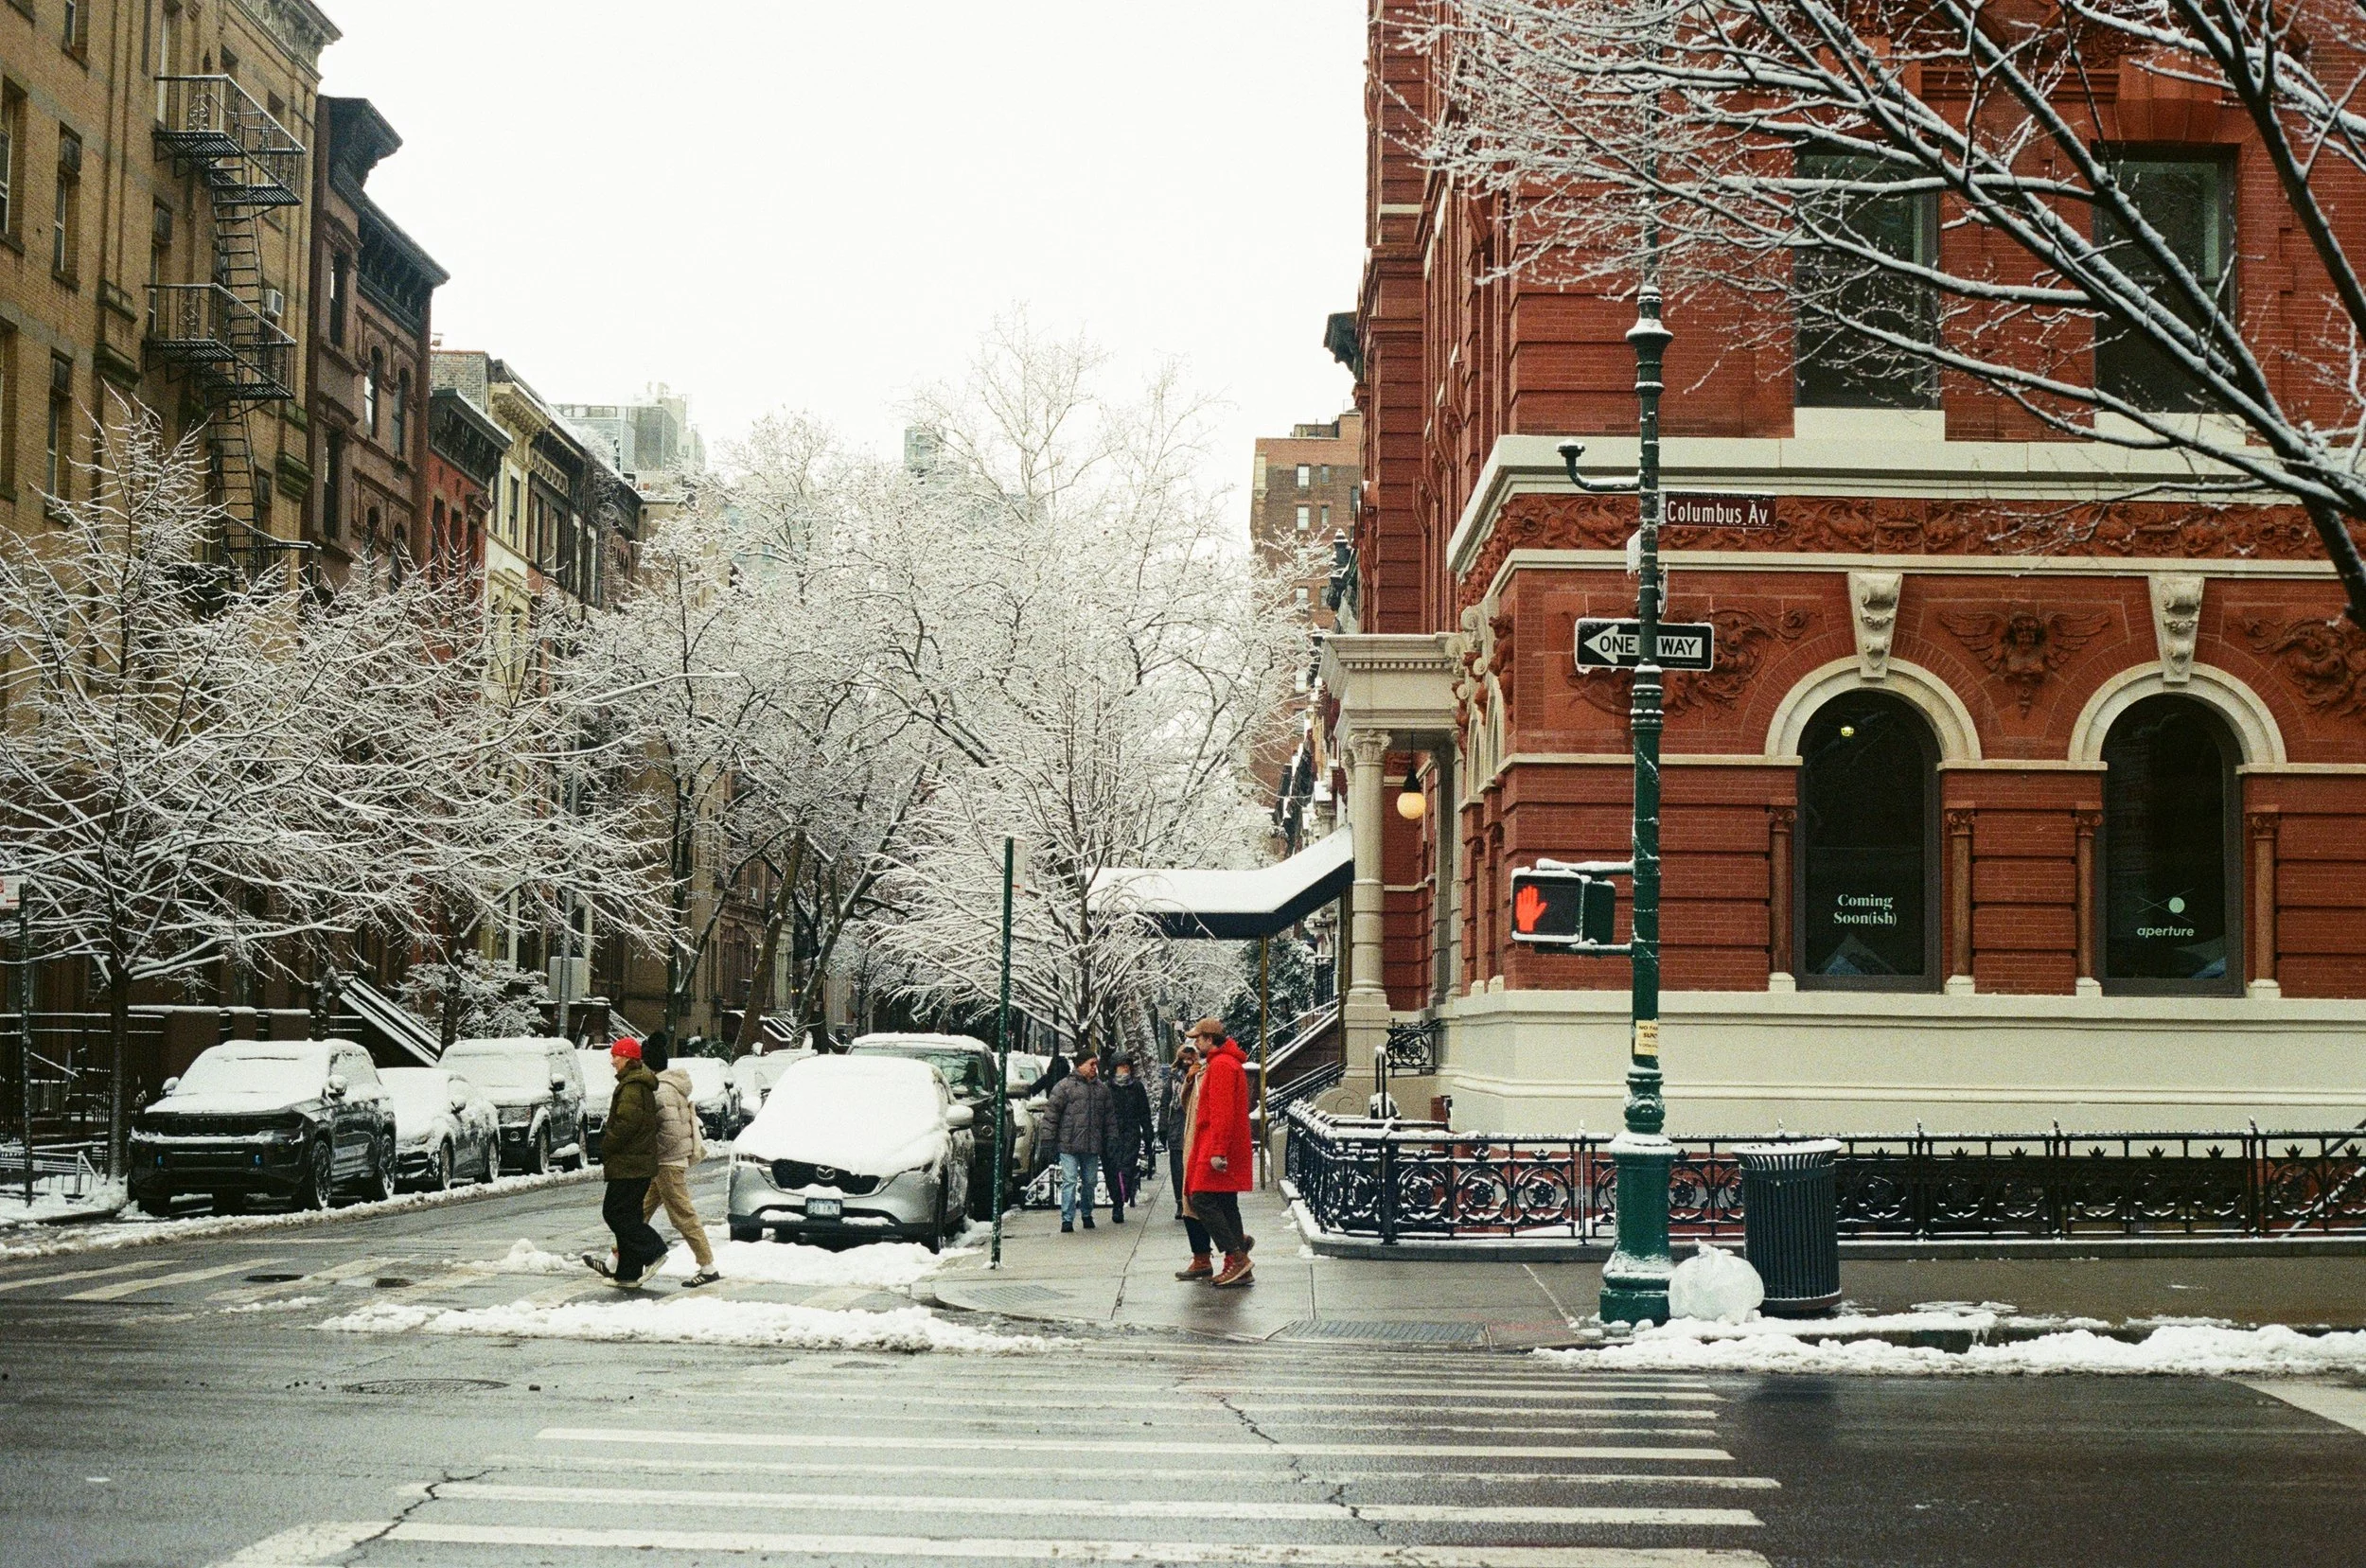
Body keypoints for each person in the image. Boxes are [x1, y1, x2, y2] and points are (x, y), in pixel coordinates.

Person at [581, 1037, 669, 1288]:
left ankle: (654, 1250)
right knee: (628, 1214)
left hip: (631, 1164)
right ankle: (628, 1274)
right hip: (634, 1163)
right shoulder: (636, 1083)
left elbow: (626, 1124)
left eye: (616, 1056)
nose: (612, 1062)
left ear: (628, 1058)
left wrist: (606, 1143)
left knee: (615, 1212)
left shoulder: (632, 1086)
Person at [640, 1036, 721, 1288]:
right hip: (665, 1162)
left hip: (667, 1163)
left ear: (648, 1065)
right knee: (638, 1212)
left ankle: (707, 1266)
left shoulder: (662, 1090)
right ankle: (615, 1258)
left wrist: (653, 1152)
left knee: (682, 1215)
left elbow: (671, 1133)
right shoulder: (670, 1085)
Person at [1185, 1016, 1256, 1288]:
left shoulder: (1222, 1066)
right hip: (1221, 1143)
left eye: (1198, 1038)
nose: (1195, 1043)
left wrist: (1217, 1151)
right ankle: (1237, 1255)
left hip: (1215, 1145)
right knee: (1226, 1201)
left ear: (1209, 1039)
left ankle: (1236, 1255)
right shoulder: (1225, 1063)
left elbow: (1222, 1112)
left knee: (1201, 1198)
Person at [1037, 1053, 1112, 1233]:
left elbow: (1109, 1118)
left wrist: (1111, 1138)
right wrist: (1047, 1139)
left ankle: (1087, 1213)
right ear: (1079, 1065)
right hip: (1068, 1143)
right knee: (1069, 1180)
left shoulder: (1101, 1090)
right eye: (1091, 1064)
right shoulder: (1064, 1087)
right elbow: (1051, 1115)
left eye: (1096, 1064)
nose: (1095, 1068)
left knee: (1090, 1181)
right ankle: (1067, 1219)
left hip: (1091, 1144)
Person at [1166, 1043, 1216, 1278]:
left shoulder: (1213, 1072)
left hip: (1202, 1145)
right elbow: (1182, 1106)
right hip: (1185, 1139)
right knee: (1191, 1200)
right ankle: (1204, 1256)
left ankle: (1235, 1245)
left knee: (1202, 1202)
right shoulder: (1186, 1077)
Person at [1104, 1056, 1152, 1224]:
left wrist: (1148, 1136)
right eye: (1121, 1067)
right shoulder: (1107, 1088)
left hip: (1131, 1132)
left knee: (1127, 1168)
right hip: (1112, 1134)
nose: (1125, 1070)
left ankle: (1121, 1200)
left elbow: (1144, 1112)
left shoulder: (1136, 1087)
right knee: (1112, 1169)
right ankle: (1117, 1199)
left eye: (1127, 1067)